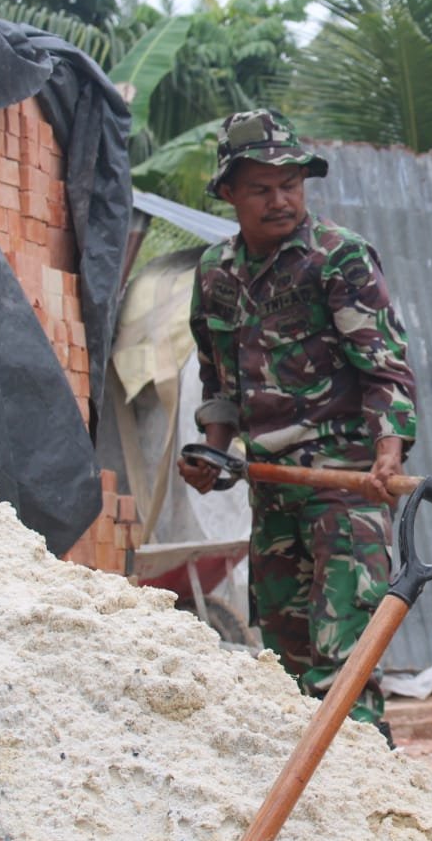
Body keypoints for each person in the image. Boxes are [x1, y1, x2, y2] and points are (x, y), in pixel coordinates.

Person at [177, 109, 417, 744]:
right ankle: (309, 816)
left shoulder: (339, 259)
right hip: (271, 490)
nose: (280, 200)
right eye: (261, 188)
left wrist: (388, 455)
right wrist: (211, 454)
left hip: (345, 489)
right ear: (229, 191)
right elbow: (219, 389)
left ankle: (369, 799)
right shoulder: (215, 275)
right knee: (285, 673)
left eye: (291, 184)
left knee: (343, 668)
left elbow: (385, 371)